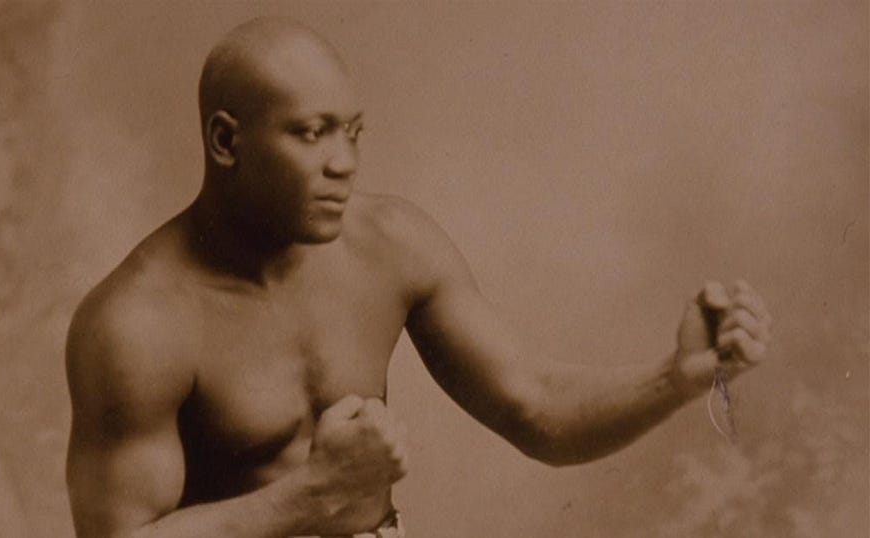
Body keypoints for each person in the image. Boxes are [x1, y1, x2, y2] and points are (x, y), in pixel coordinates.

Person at [64, 17, 772, 538]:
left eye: (353, 132)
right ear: (226, 141)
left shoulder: (390, 245)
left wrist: (678, 378)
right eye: (311, 133)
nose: (344, 162)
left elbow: (539, 412)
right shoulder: (137, 322)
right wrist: (311, 498)